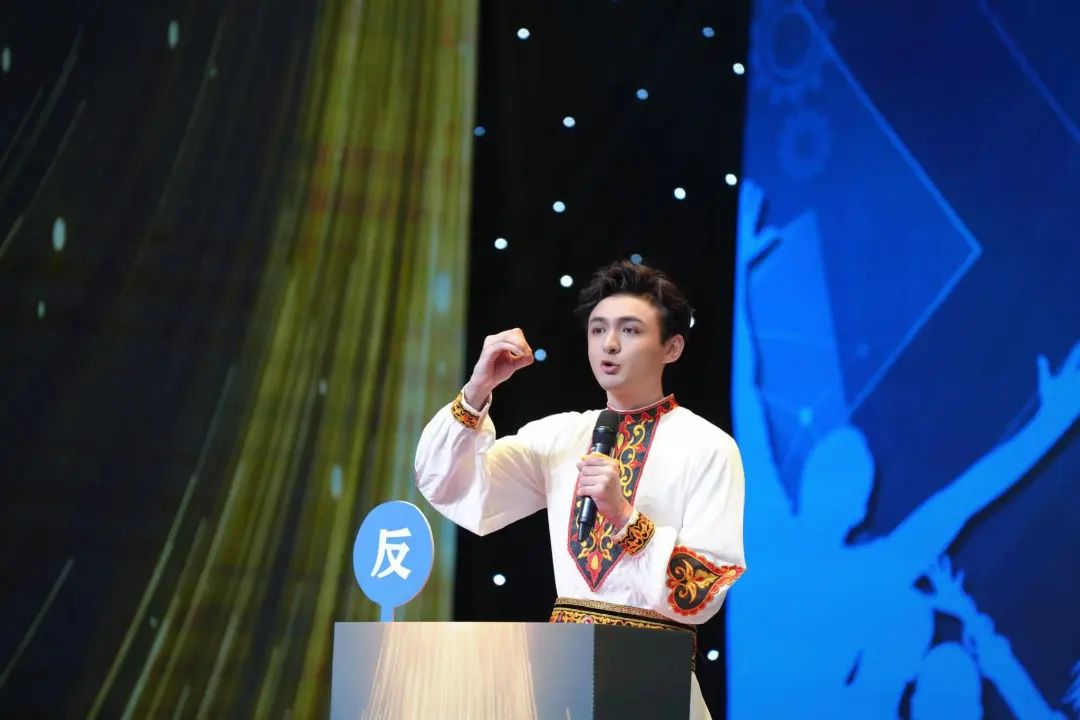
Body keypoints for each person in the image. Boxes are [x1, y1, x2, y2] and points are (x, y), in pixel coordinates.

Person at [414, 260, 747, 719]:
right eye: (598, 329)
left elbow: (701, 591)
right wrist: (477, 390)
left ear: (672, 347)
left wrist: (626, 518)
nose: (609, 344)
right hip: (562, 679)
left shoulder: (708, 446)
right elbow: (449, 485)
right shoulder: (559, 436)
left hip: (653, 683)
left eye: (630, 330)